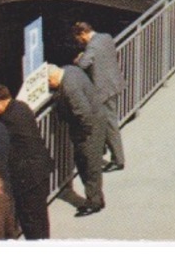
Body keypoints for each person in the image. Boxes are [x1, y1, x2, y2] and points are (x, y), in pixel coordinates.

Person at [0, 83, 54, 240]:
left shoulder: (8, 120)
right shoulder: (21, 107)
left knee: (31, 223)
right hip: (40, 170)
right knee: (41, 219)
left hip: (28, 178)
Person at [47, 63, 105, 216]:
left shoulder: (69, 88)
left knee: (88, 164)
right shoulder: (69, 70)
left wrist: (83, 134)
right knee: (89, 163)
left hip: (88, 129)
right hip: (95, 120)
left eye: (48, 82)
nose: (49, 86)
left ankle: (94, 202)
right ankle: (96, 197)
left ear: (52, 77)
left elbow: (84, 113)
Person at [73, 21, 125, 172]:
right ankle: (104, 147)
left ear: (82, 34)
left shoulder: (92, 47)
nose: (79, 42)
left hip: (103, 91)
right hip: (113, 84)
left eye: (78, 38)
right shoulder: (105, 37)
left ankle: (118, 159)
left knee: (110, 124)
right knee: (105, 121)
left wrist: (79, 58)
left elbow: (82, 65)